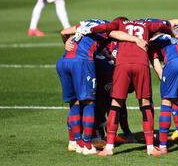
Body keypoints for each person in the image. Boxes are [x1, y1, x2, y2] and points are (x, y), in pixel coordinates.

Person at [76, 17, 172, 156]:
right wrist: (172, 33)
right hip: (141, 63)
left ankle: (109, 147)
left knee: (116, 104)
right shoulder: (146, 24)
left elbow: (105, 28)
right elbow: (162, 26)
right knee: (145, 104)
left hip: (122, 64)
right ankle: (150, 147)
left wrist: (88, 29)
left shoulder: (119, 23)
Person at [57, 19, 146, 155]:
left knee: (74, 102)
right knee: (89, 102)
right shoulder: (107, 28)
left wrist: (66, 42)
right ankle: (87, 145)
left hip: (63, 62)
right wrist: (136, 39)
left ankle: (74, 142)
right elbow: (117, 34)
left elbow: (63, 32)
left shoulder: (87, 23)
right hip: (81, 62)